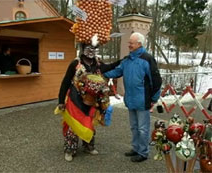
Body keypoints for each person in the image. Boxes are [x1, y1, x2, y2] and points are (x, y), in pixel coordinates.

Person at [57, 42, 121, 162]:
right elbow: (65, 82)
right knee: (73, 125)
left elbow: (108, 67)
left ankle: (88, 146)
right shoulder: (75, 63)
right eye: (89, 48)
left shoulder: (97, 63)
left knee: (90, 123)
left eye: (95, 48)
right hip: (75, 99)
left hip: (91, 100)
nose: (92, 51)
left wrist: (121, 61)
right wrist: (61, 101)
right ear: (82, 49)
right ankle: (70, 150)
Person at [104, 32, 162, 162]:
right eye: (129, 42)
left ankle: (143, 152)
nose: (129, 45)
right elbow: (117, 71)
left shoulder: (147, 59)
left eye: (131, 43)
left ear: (139, 44)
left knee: (143, 128)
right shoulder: (128, 59)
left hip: (143, 101)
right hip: (131, 100)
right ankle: (136, 148)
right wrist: (102, 72)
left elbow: (157, 81)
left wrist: (154, 98)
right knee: (134, 127)